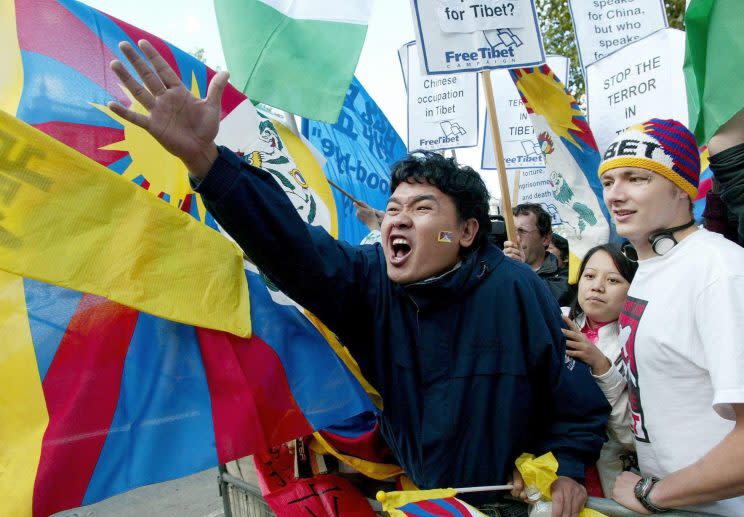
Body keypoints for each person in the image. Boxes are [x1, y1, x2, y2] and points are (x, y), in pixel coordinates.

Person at [108, 40, 610, 516]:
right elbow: (290, 247)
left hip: (513, 499)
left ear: (465, 231)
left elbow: (574, 402)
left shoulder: (516, 290)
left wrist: (565, 466)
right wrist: (207, 162)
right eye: (393, 208)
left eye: (422, 207)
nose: (399, 219)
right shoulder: (369, 283)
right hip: (426, 501)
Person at [598, 119, 744, 515]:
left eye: (636, 178)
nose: (616, 194)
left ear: (683, 187)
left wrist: (653, 493)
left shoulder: (719, 271)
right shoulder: (649, 267)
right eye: (609, 181)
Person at [561, 244, 637, 498]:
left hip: (610, 474)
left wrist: (602, 367)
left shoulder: (638, 344)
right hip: (554, 465)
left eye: (613, 280)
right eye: (590, 276)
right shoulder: (556, 322)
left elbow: (630, 435)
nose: (597, 287)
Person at [503, 204, 572, 306]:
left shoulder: (566, 277)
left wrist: (521, 270)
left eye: (522, 231)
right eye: (511, 231)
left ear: (545, 239)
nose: (515, 238)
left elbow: (545, 301)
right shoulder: (499, 267)